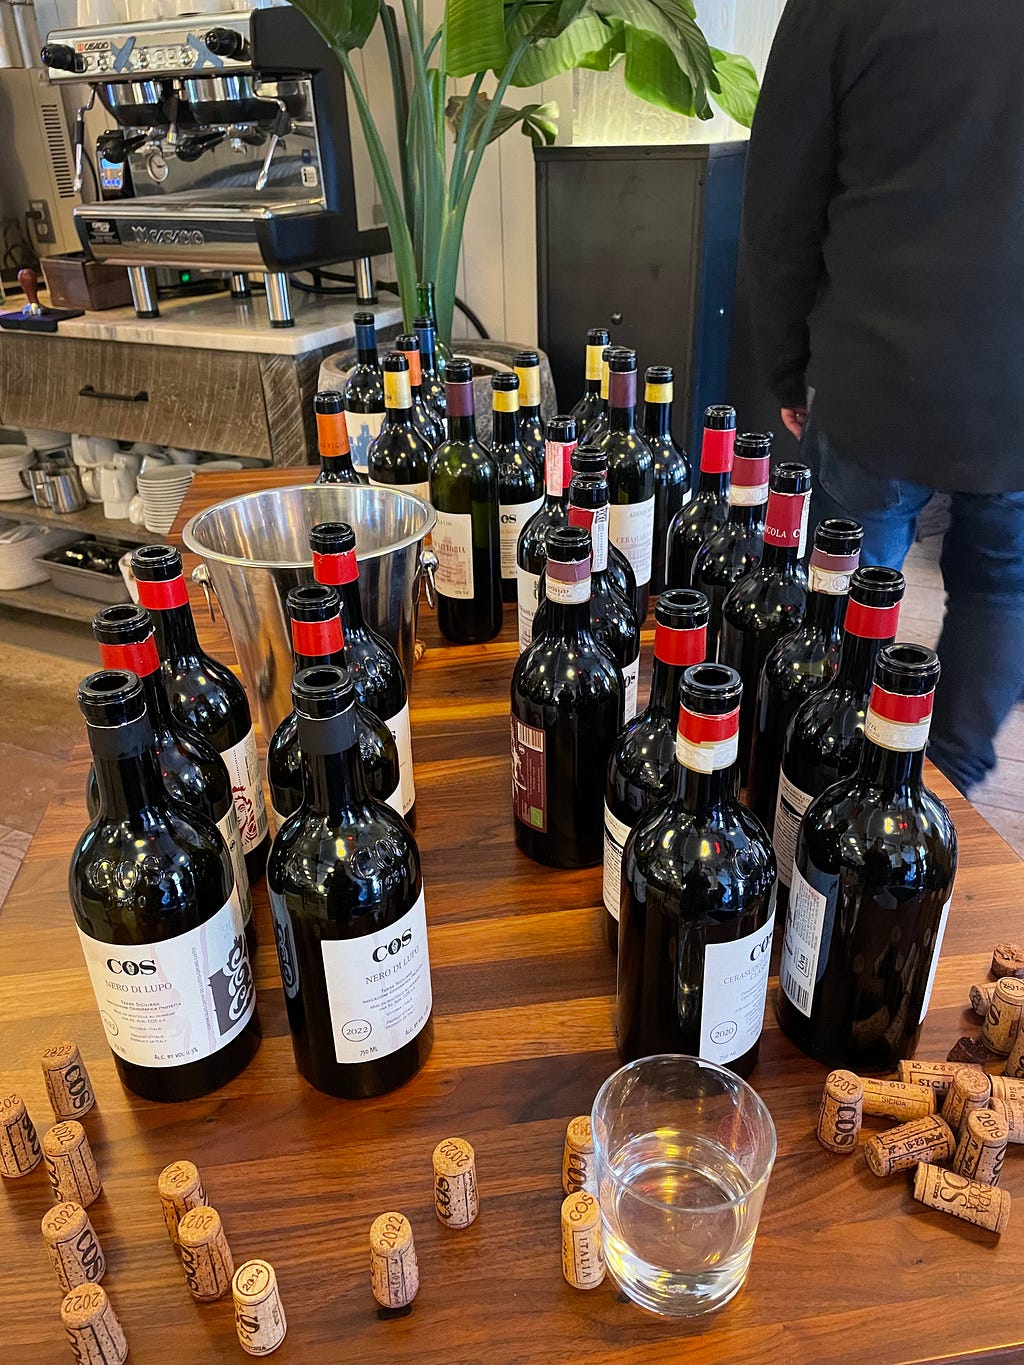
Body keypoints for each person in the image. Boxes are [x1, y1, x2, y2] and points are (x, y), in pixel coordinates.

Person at [741, 0, 1024, 796]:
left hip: (877, 369)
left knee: (848, 584)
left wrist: (788, 365)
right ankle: (949, 786)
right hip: (1013, 378)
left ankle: (839, 785)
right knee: (1004, 582)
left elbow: (781, 201)